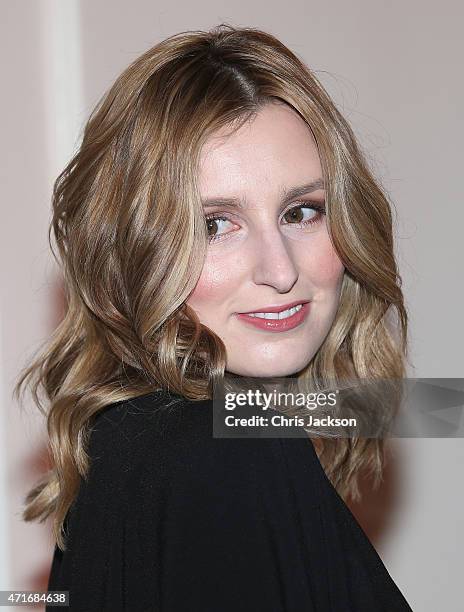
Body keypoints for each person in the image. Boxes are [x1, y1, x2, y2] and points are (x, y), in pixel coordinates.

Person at [15, 24, 413, 611]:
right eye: (215, 225)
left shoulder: (130, 441)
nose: (279, 271)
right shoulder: (228, 455)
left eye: (302, 211)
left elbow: (406, 404)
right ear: (133, 255)